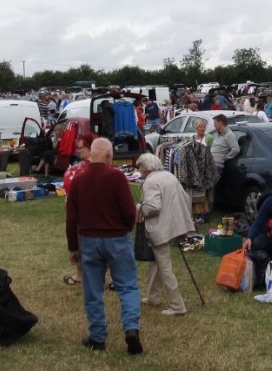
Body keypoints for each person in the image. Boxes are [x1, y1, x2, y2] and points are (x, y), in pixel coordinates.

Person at [65, 138, 143, 355]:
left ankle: (98, 337)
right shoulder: (116, 177)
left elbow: (71, 218)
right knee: (127, 286)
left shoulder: (79, 181)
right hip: (117, 238)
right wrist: (126, 229)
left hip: (89, 240)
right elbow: (129, 211)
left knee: (93, 290)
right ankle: (131, 329)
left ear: (92, 155)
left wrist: (73, 247)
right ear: (109, 156)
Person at [136, 153, 193, 316]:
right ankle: (153, 297)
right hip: (173, 226)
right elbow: (185, 198)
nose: (139, 170)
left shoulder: (150, 182)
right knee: (158, 263)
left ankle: (178, 306)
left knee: (165, 267)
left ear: (146, 168)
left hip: (160, 229)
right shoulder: (169, 176)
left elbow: (153, 207)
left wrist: (139, 207)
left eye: (140, 167)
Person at [61, 132, 98, 286]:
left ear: (90, 147)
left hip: (87, 212)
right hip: (87, 211)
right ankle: (85, 274)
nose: (78, 150)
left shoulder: (89, 168)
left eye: (80, 147)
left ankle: (82, 275)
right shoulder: (87, 165)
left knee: (83, 242)